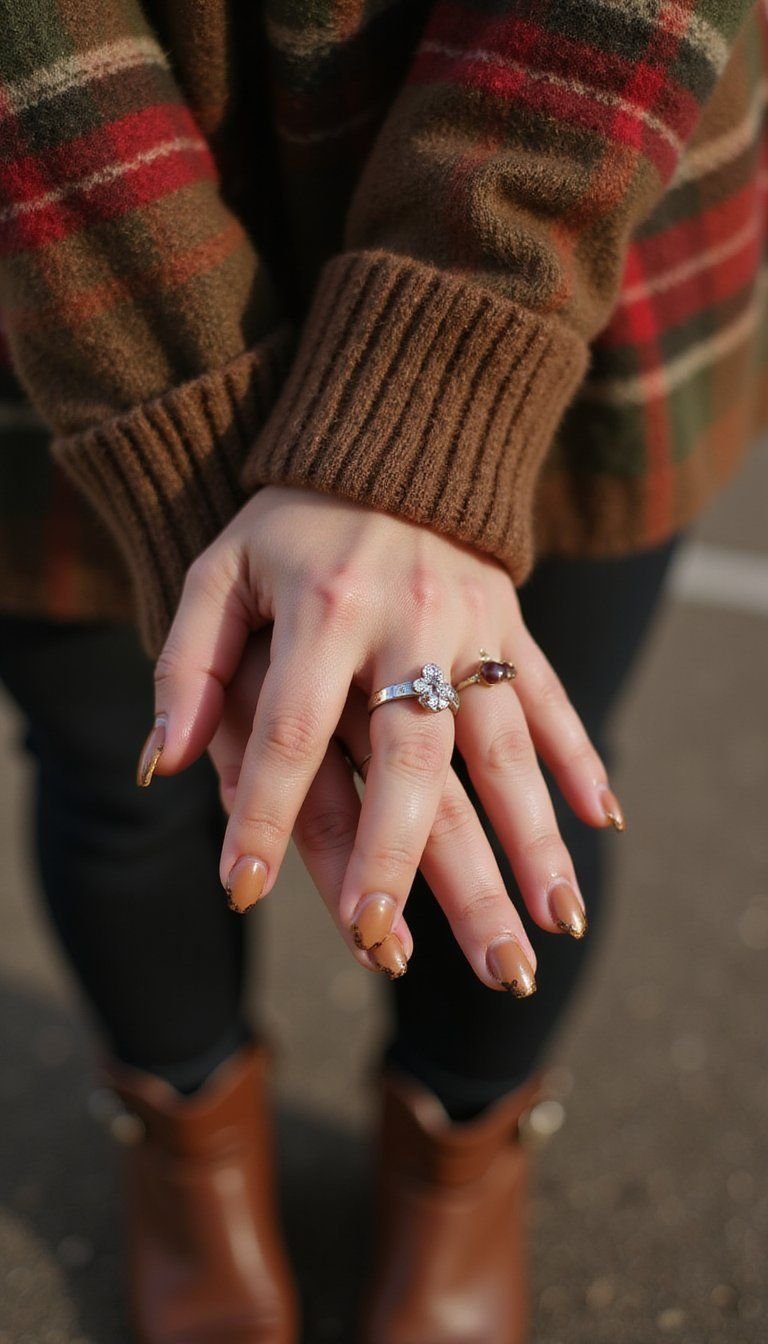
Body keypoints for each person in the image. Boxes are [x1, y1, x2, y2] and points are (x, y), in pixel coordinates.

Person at [0, 1, 765, 1341]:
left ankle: (460, 1156)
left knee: (507, 770)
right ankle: (190, 1147)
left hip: (566, 232)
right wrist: (178, 415)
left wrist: (442, 369)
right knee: (125, 782)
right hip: (67, 282)